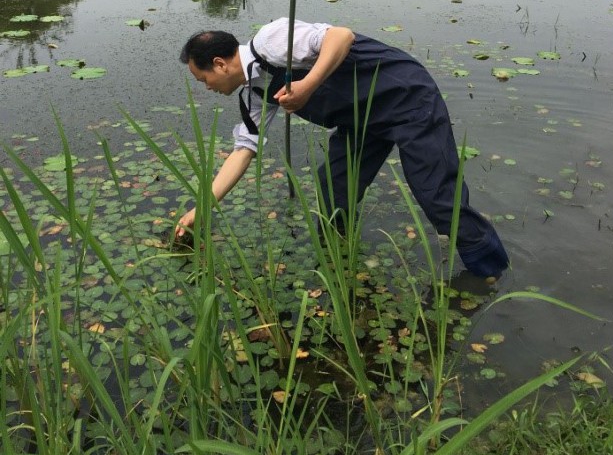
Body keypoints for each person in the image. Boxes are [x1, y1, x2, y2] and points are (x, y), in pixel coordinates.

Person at [176, 17, 509, 278]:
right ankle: (341, 264)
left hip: (405, 96)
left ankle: (491, 271)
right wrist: (201, 208)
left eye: (202, 79)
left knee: (437, 197)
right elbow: (242, 152)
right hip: (361, 122)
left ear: (219, 63)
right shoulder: (254, 94)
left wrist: (306, 84)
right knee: (333, 190)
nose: (206, 88)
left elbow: (341, 37)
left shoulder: (270, 40)